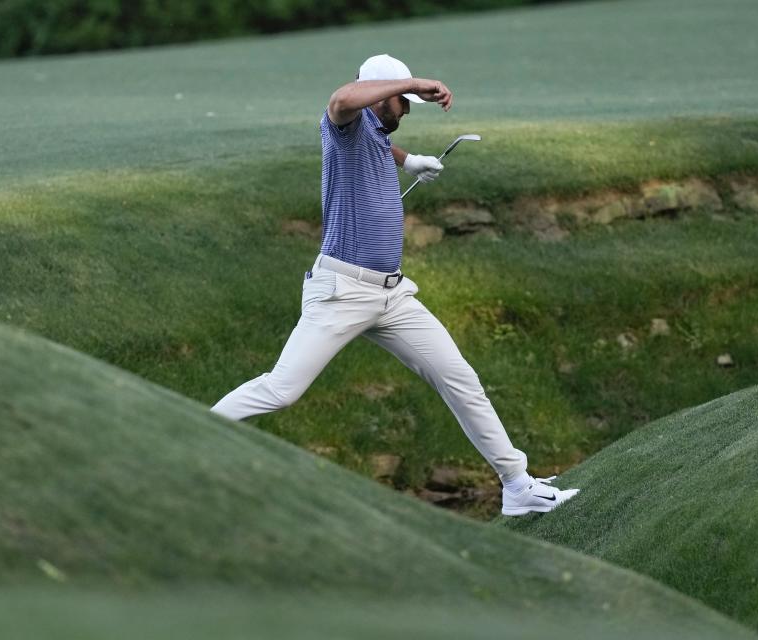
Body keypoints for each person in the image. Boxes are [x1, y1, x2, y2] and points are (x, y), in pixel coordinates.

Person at [211, 54, 578, 516]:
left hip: (392, 296)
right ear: (383, 95)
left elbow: (380, 147)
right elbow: (341, 98)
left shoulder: (375, 135)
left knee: (459, 378)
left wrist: (410, 162)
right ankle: (186, 434)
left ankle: (517, 485)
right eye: (402, 102)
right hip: (341, 292)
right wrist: (414, 82)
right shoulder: (345, 123)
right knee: (282, 389)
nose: (405, 110)